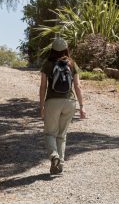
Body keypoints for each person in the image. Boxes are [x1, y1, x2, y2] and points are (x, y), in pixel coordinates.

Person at [39, 38, 86, 175]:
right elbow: (77, 86)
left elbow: (43, 87)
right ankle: (60, 164)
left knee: (50, 133)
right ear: (66, 49)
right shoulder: (72, 64)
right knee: (62, 135)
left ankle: (54, 157)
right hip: (69, 102)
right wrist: (82, 106)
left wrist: (41, 106)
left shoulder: (47, 64)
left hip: (52, 102)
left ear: (52, 49)